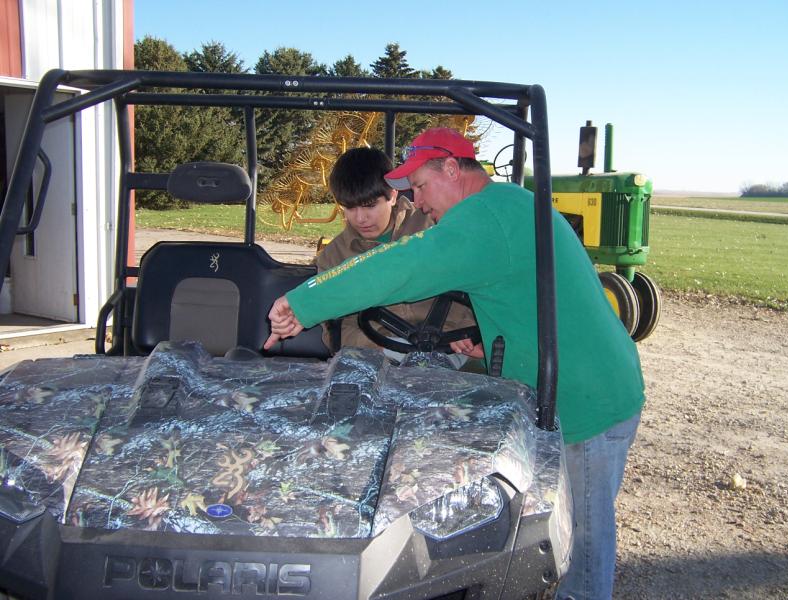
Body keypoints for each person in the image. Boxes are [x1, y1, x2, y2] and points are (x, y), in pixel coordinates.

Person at [265, 127, 645, 600]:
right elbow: (525, 293)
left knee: (582, 546)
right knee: (558, 526)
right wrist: (494, 340)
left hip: (586, 400)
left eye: (421, 186)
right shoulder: (507, 203)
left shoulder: (481, 220)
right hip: (580, 383)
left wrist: (303, 303)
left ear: (451, 168)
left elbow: (404, 265)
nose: (418, 201)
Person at [317, 146, 480, 361]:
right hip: (380, 351)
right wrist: (375, 346)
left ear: (393, 195)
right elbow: (335, 328)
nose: (360, 218)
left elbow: (477, 283)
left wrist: (466, 329)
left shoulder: (434, 224)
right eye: (349, 207)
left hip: (450, 344)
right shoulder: (333, 257)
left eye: (370, 206)